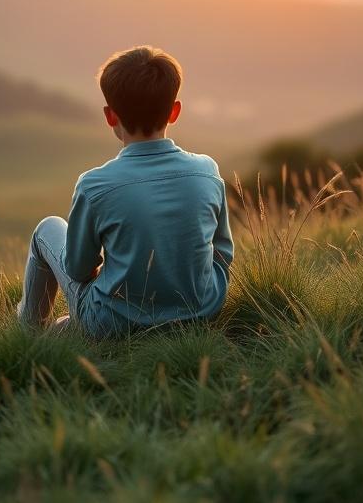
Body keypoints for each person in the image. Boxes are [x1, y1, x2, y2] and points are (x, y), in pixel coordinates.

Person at [17, 45, 235, 337]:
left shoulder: (94, 185)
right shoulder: (207, 171)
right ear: (175, 111)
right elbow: (222, 255)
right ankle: (67, 330)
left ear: (110, 116)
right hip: (201, 315)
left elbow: (79, 270)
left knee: (47, 228)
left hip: (113, 325)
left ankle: (28, 331)